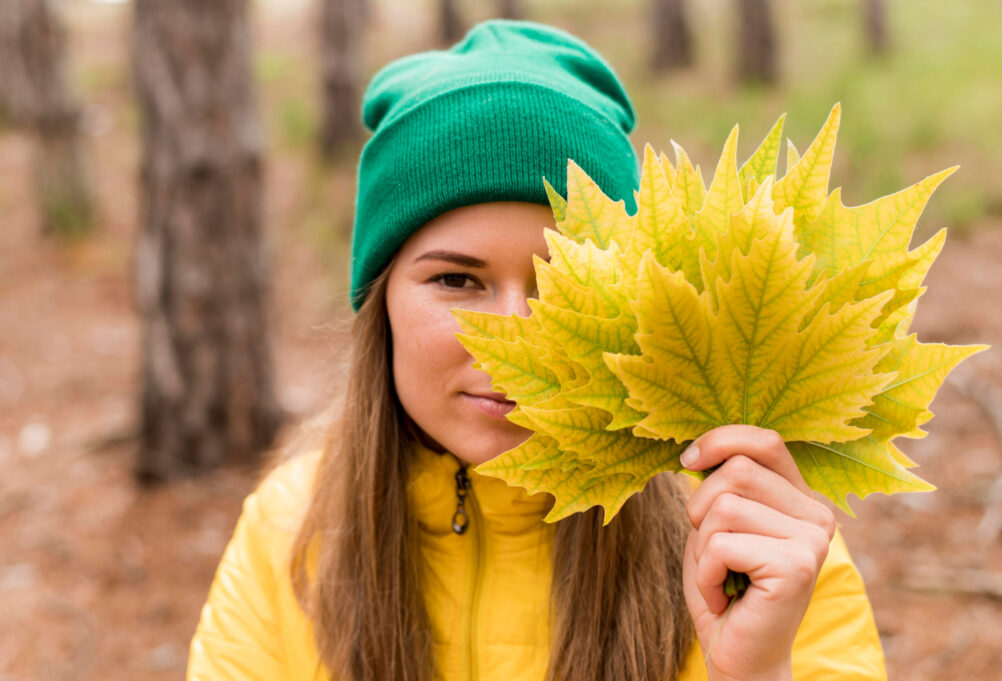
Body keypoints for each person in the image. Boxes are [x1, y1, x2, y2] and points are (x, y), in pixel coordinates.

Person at [187, 20, 887, 681]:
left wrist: (760, 671)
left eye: (562, 281)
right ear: (383, 301)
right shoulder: (290, 532)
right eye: (457, 280)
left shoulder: (752, 536)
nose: (515, 334)